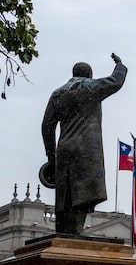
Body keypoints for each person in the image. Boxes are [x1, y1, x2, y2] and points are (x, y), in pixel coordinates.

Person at [41, 54, 128, 235]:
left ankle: (66, 235)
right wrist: (120, 65)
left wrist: (51, 156)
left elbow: (47, 127)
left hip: (64, 148)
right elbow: (116, 81)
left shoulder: (58, 93)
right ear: (89, 74)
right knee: (82, 195)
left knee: (66, 197)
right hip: (86, 150)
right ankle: (74, 237)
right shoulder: (91, 88)